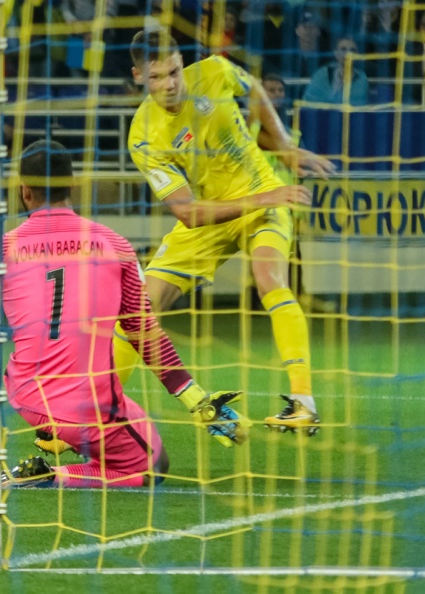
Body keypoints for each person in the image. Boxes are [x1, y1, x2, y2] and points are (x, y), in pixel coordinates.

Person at [0, 140, 249, 488]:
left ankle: (48, 456)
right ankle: (50, 477)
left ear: (24, 191)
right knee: (152, 465)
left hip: (27, 398)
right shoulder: (115, 245)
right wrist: (197, 400)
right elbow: (143, 333)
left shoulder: (2, 250)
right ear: (73, 186)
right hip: (88, 403)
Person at [126, 29, 336, 435]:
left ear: (183, 62)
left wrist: (284, 145)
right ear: (138, 76)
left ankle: (304, 402)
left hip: (263, 192)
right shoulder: (142, 135)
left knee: (269, 277)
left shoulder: (216, 71)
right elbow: (187, 212)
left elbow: (254, 86)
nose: (169, 84)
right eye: (156, 77)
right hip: (212, 212)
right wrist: (261, 199)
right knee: (137, 310)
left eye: (174, 72)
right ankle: (92, 416)